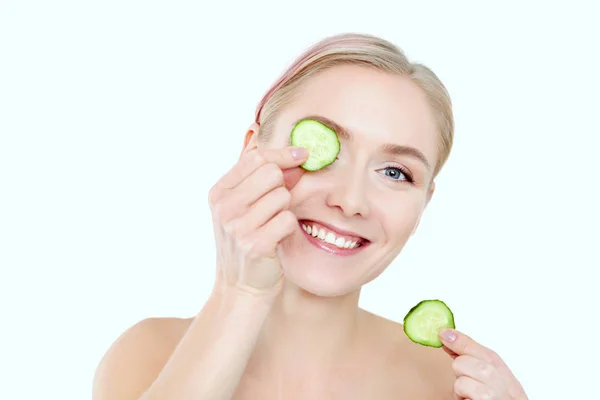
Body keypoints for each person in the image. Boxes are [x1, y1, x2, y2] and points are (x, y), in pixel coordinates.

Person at [92, 33, 528, 400]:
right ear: (252, 153)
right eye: (326, 151)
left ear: (424, 203)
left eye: (395, 172)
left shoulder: (450, 382)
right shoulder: (147, 355)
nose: (351, 200)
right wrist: (240, 290)